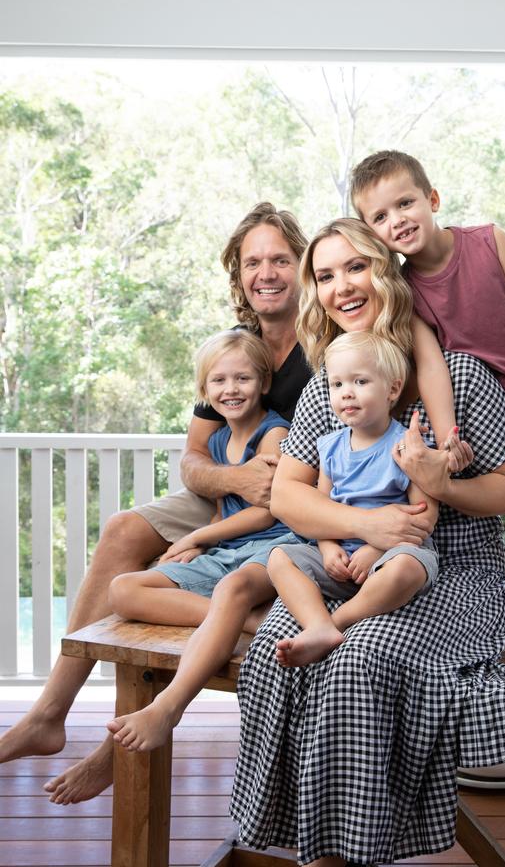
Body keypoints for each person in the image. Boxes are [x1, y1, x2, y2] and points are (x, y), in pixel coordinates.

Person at [229, 218, 505, 867]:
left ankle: (346, 854)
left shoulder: (461, 376)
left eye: (356, 267)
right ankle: (308, 845)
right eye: (324, 275)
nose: (342, 286)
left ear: (388, 271)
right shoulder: (333, 380)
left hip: (456, 571)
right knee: (274, 648)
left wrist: (439, 484)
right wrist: (366, 529)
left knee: (359, 656)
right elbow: (290, 496)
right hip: (351, 564)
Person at [0, 202, 311, 804]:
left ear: (302, 266)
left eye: (280, 259)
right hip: (236, 490)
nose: (266, 272)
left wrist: (259, 492)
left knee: (161, 579)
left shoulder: (323, 345)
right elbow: (195, 460)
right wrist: (238, 480)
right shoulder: (236, 349)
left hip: (290, 505)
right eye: (253, 262)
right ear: (239, 273)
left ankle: (111, 747)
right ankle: (49, 713)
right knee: (122, 531)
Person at [351, 149, 505, 666]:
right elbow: (434, 365)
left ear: (432, 199)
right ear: (373, 232)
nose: (398, 220)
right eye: (380, 217)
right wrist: (450, 429)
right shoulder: (407, 290)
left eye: (405, 203)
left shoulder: (488, 241)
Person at [104, 329, 303, 752]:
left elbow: (269, 507)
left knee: (227, 581)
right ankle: (243, 621)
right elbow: (222, 504)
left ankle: (171, 704)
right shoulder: (215, 441)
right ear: (204, 390)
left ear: (264, 383)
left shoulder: (274, 435)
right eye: (219, 381)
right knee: (124, 590)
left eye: (243, 379)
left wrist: (198, 535)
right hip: (229, 550)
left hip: (277, 544)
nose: (231, 389)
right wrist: (202, 547)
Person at [268, 331, 439, 669]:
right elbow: (321, 508)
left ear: (392, 389)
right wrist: (328, 547)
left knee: (407, 567)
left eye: (360, 381)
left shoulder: (406, 446)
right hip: (340, 562)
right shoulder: (330, 447)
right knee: (278, 558)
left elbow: (424, 518)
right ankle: (316, 623)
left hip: (392, 555)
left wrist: (376, 550)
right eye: (336, 385)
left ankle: (337, 623)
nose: (346, 392)